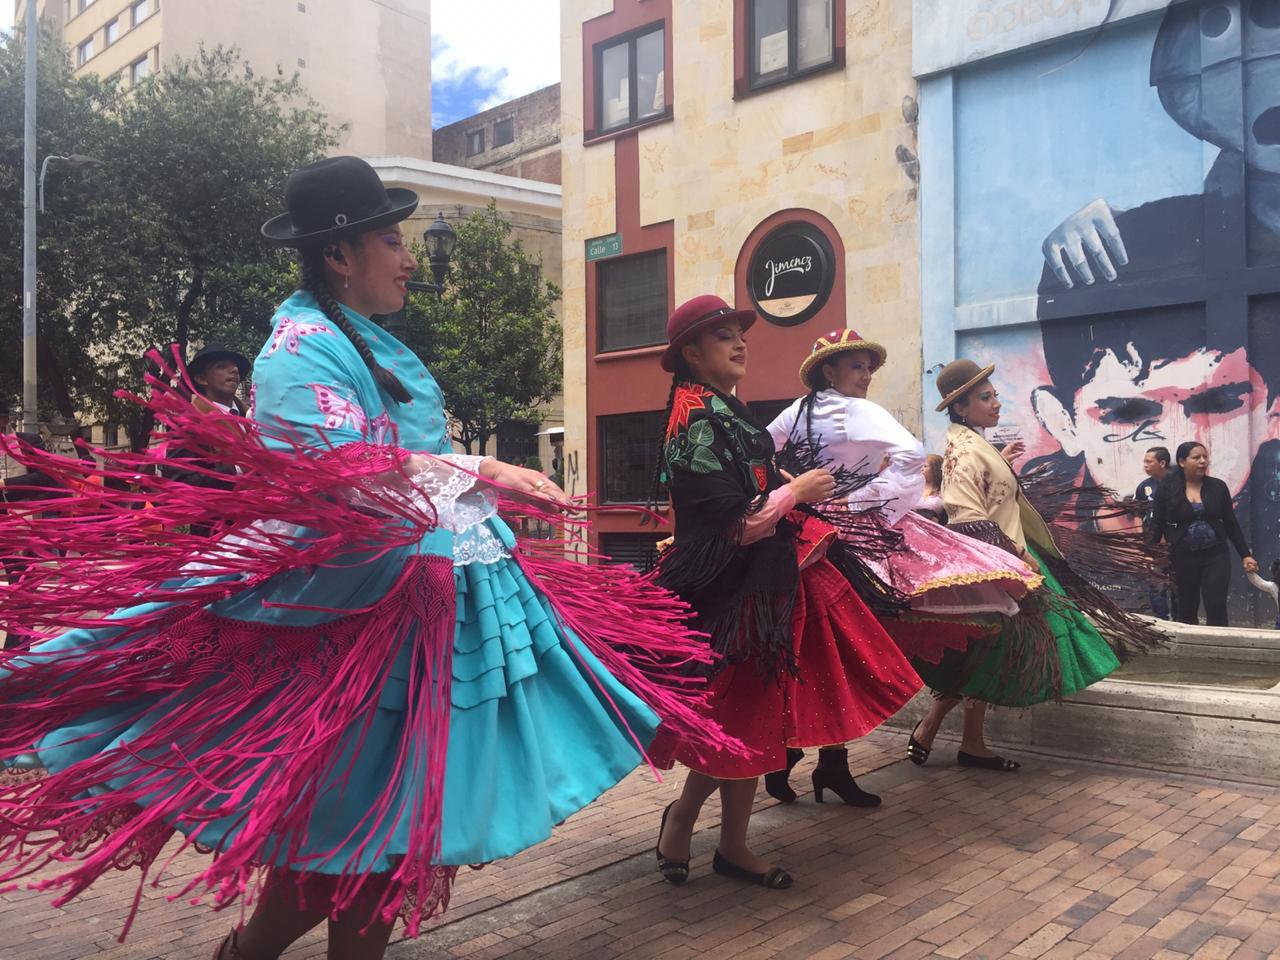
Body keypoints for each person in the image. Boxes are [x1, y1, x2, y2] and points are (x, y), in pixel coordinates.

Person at [0, 157, 731, 960]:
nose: (411, 257)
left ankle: (248, 955)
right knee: (366, 828)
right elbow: (343, 472)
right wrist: (478, 468)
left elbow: (388, 460)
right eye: (393, 239)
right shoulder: (297, 351)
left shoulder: (352, 338)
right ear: (341, 255)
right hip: (355, 618)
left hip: (417, 608)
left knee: (384, 833)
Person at [648, 297, 921, 890]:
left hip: (762, 585)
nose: (739, 343)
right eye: (722, 336)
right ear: (691, 354)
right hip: (732, 594)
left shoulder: (721, 409)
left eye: (738, 333)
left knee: (752, 717)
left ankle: (721, 842)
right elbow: (733, 524)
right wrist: (795, 491)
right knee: (740, 717)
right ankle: (699, 830)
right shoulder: (694, 420)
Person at [765, 332, 1041, 777]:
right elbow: (912, 456)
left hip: (803, 538)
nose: (867, 376)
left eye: (869, 367)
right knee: (845, 647)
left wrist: (790, 494)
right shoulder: (857, 410)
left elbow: (759, 452)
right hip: (849, 541)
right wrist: (863, 504)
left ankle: (803, 755)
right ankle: (812, 757)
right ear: (829, 371)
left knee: (814, 647)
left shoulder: (795, 411)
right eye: (857, 367)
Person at [908, 358, 1155, 771]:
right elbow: (969, 518)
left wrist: (1000, 459)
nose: (997, 403)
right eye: (986, 398)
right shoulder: (965, 450)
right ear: (962, 407)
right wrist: (1020, 560)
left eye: (995, 395)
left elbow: (986, 494)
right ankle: (937, 728)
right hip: (1003, 565)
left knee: (992, 650)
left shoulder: (972, 442)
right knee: (989, 650)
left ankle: (966, 740)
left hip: (1009, 560)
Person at [1150, 441, 1258, 627]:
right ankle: (1189, 651)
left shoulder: (1218, 487)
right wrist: (1149, 555)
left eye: (1205, 457)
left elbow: (1231, 523)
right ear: (1182, 462)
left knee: (1216, 604)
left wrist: (1245, 555)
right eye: (1196, 457)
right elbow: (1157, 524)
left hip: (1216, 554)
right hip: (1182, 556)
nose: (1202, 461)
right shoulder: (1167, 489)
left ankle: (1220, 649)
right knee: (1187, 606)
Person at [162, 344, 253, 536]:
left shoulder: (253, 419)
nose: (234, 370)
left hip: (266, 528)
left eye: (235, 367)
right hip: (220, 537)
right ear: (201, 378)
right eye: (221, 366)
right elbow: (180, 482)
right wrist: (237, 469)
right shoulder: (188, 422)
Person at [1135, 446, 1172, 618]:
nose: (1145, 465)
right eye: (1144, 462)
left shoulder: (1178, 483)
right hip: (1153, 547)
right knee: (1156, 584)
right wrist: (1141, 542)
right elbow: (1138, 515)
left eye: (1149, 461)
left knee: (1178, 586)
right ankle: (1162, 620)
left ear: (1162, 463)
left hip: (1175, 545)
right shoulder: (1144, 487)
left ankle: (1181, 620)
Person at [917, 453, 946, 524]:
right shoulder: (915, 488)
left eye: (925, 466)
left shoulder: (944, 491)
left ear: (935, 469)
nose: (921, 469)